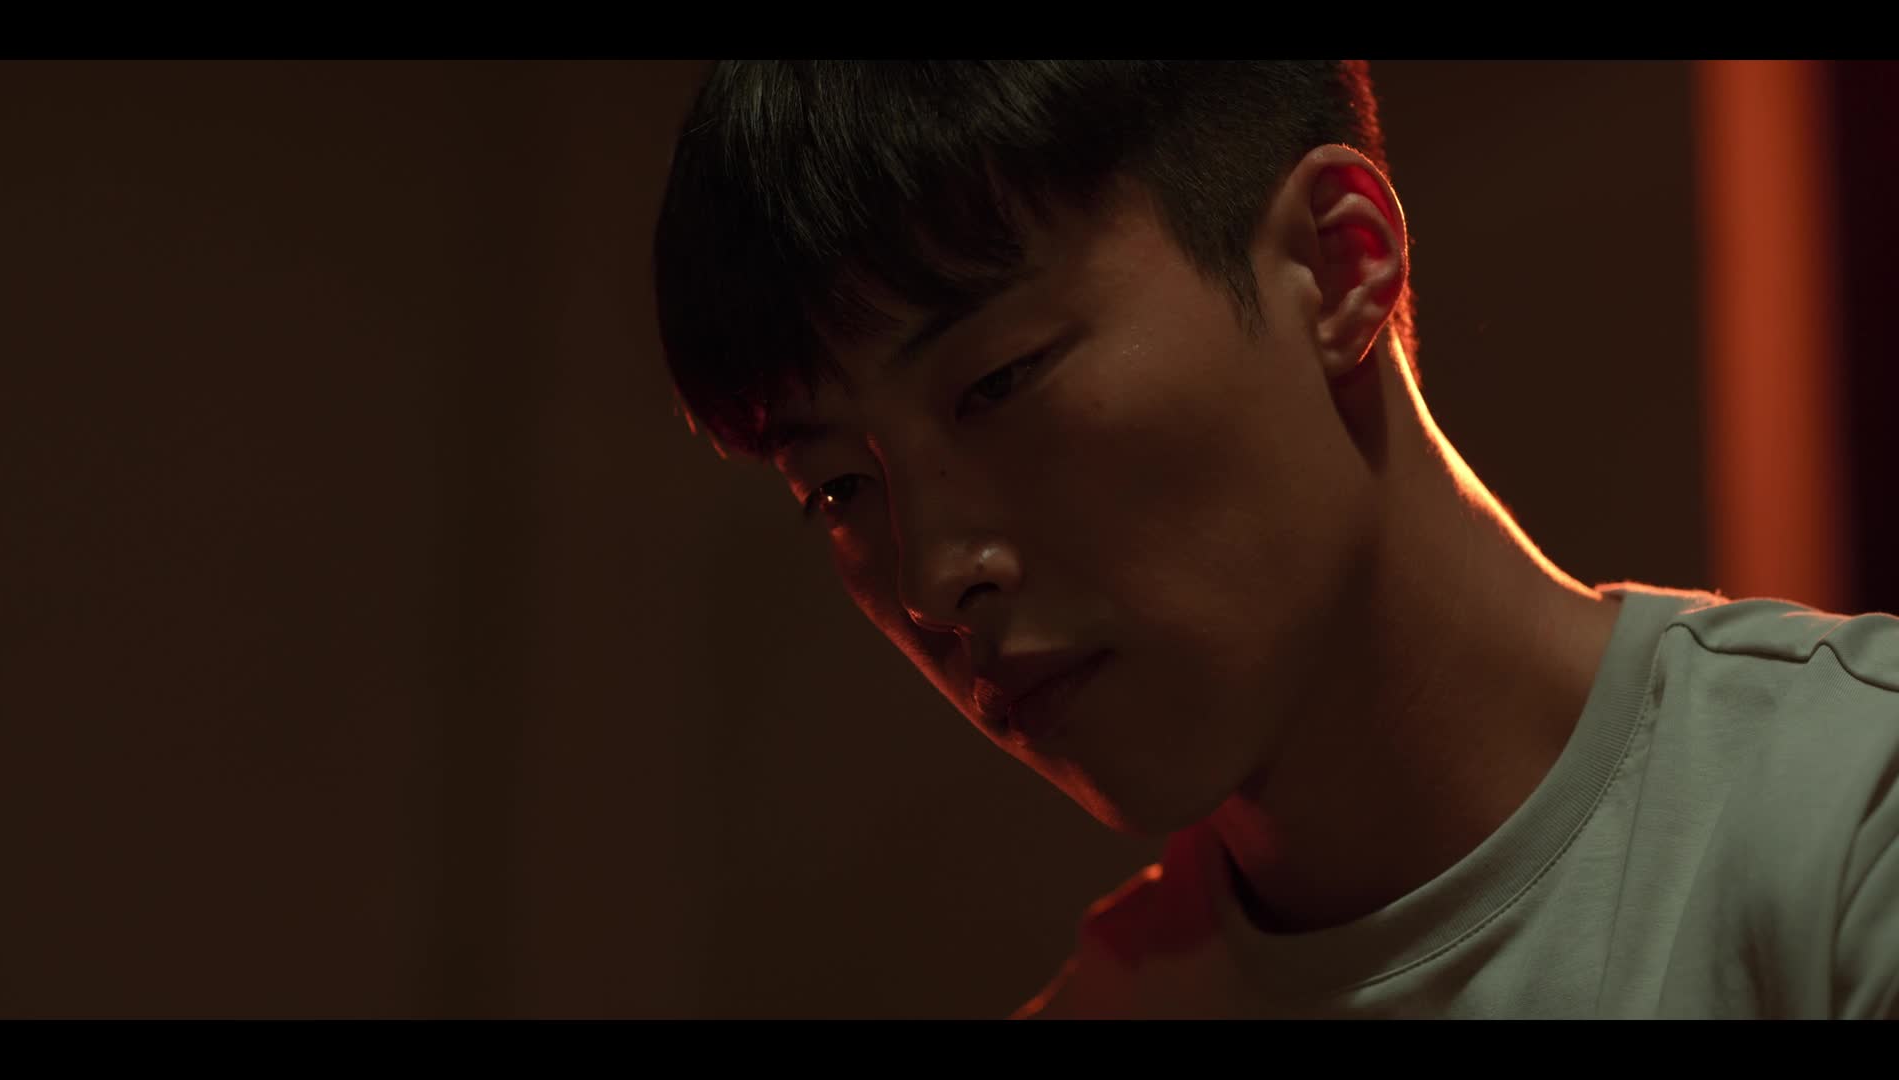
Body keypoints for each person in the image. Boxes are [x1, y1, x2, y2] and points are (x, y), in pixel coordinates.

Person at [650, 61, 1899, 1019]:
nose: (933, 576)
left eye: (998, 383)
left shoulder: (1846, 821)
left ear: (1335, 262)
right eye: (836, 488)